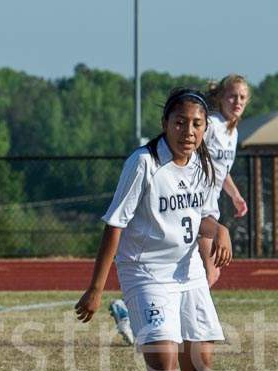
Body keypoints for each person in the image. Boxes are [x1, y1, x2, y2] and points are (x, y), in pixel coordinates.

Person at [76, 88, 233, 371]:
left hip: (189, 274)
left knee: (200, 367)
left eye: (197, 123)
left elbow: (204, 218)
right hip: (146, 272)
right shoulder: (143, 163)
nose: (189, 131)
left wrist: (221, 230)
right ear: (165, 124)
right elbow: (115, 225)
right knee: (163, 360)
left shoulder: (204, 164)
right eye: (180, 122)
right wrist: (96, 288)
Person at [107, 75, 250, 345]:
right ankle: (140, 314)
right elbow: (195, 157)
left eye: (242, 97)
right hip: (184, 208)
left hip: (202, 205)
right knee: (208, 273)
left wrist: (234, 196)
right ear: (220, 98)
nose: (238, 102)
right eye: (232, 96)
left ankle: (156, 319)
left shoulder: (232, 133)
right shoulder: (212, 127)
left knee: (204, 278)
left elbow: (219, 170)